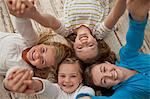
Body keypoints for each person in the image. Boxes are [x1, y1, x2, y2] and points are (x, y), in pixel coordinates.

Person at [6, 0, 127, 65]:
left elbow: (50, 22)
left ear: (74, 45)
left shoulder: (66, 31)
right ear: (96, 42)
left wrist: (34, 15)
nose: (84, 42)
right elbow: (115, 15)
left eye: (80, 47)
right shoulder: (99, 31)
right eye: (90, 45)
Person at [77, 0, 150, 99]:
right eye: (104, 81)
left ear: (107, 63)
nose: (109, 75)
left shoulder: (126, 56)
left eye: (104, 69)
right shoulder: (124, 93)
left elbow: (134, 40)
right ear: (107, 87)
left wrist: (138, 18)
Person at [0, 3, 72, 79]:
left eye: (42, 61)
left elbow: (12, 76)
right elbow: (24, 27)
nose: (37, 55)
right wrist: (20, 14)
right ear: (42, 44)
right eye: (43, 50)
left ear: (41, 68)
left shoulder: (26, 71)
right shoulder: (31, 41)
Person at [4, 57, 95, 99]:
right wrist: (32, 83)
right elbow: (46, 87)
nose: (67, 80)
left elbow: (86, 95)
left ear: (81, 78)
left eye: (73, 76)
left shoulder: (85, 90)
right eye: (62, 76)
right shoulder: (57, 90)